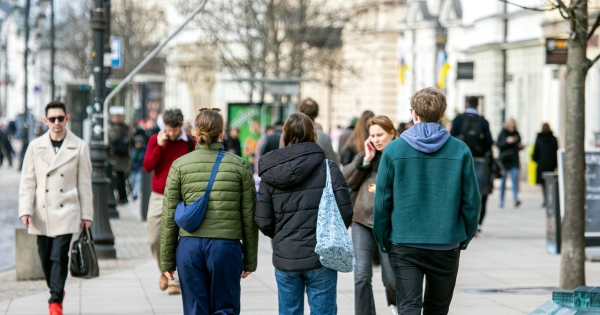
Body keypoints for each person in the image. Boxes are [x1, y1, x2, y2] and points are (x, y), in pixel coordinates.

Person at [373, 87, 480, 315]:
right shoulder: (460, 150)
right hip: (446, 242)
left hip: (404, 241)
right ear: (442, 115)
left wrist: (382, 239)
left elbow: (382, 201)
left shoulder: (393, 150)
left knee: (409, 306)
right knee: (438, 308)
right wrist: (465, 235)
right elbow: (471, 201)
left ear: (415, 115)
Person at [161, 108, 258, 315]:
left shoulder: (179, 166)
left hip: (189, 247)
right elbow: (249, 217)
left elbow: (169, 217)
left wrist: (167, 261)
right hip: (226, 247)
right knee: (225, 308)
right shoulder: (240, 166)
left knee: (195, 309)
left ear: (195, 133)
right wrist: (250, 259)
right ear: (222, 134)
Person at [255, 113, 353, 315]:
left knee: (289, 311)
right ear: (313, 134)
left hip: (286, 255)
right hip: (321, 254)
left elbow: (263, 219)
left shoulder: (271, 173)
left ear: (285, 135)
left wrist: (282, 234)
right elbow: (345, 210)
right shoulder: (328, 168)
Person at [18, 101, 93, 315]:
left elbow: (84, 184)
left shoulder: (79, 146)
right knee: (44, 255)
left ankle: (55, 301)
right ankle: (56, 289)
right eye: (52, 119)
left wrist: (87, 214)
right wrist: (25, 210)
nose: (57, 122)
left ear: (67, 119)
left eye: (61, 118)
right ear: (46, 121)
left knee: (59, 255)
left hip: (68, 209)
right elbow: (27, 181)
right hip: (41, 211)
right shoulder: (35, 146)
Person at [342, 115, 398, 315]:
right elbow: (346, 181)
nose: (376, 139)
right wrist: (364, 160)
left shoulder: (399, 156)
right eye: (372, 135)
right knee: (361, 276)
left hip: (390, 224)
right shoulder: (366, 157)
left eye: (380, 135)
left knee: (391, 278)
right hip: (362, 222)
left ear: (392, 133)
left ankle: (396, 305)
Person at [142, 109, 194, 295]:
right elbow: (147, 166)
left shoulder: (190, 143)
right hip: (159, 196)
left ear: (181, 126)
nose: (171, 133)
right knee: (154, 238)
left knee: (180, 239)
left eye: (174, 130)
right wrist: (160, 146)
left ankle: (176, 281)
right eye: (168, 129)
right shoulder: (155, 140)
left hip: (182, 197)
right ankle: (164, 270)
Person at [450, 96, 493, 231]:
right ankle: (478, 223)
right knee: (480, 191)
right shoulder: (483, 121)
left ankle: (461, 221)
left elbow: (451, 138)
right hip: (479, 159)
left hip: (460, 159)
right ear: (478, 105)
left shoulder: (458, 119)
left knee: (460, 189)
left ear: (466, 103)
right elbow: (489, 141)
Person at [298, 98, 340, 165]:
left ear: (299, 111)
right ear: (317, 113)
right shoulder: (323, 137)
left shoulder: (288, 134)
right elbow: (334, 163)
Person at [497, 118, 524, 208]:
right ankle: (501, 200)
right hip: (504, 160)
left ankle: (515, 199)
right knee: (503, 181)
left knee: (514, 180)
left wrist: (520, 146)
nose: (512, 128)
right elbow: (498, 144)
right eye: (511, 126)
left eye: (514, 126)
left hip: (514, 160)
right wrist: (507, 141)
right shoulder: (503, 133)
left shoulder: (516, 133)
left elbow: (519, 145)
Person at [108, 106, 132, 204]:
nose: (116, 118)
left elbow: (111, 139)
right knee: (120, 179)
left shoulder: (119, 128)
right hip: (120, 159)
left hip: (119, 159)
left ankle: (122, 198)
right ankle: (122, 197)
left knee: (119, 179)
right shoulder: (125, 128)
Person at [532, 123, 559, 207]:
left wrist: (535, 159)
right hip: (551, 163)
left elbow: (536, 150)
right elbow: (556, 151)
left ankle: (546, 200)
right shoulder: (553, 139)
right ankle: (550, 199)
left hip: (542, 163)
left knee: (544, 183)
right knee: (551, 182)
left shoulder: (539, 138)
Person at [129, 135, 146, 201]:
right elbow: (131, 158)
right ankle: (134, 192)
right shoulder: (134, 150)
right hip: (133, 168)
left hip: (141, 168)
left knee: (138, 181)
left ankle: (134, 194)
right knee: (132, 180)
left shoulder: (144, 150)